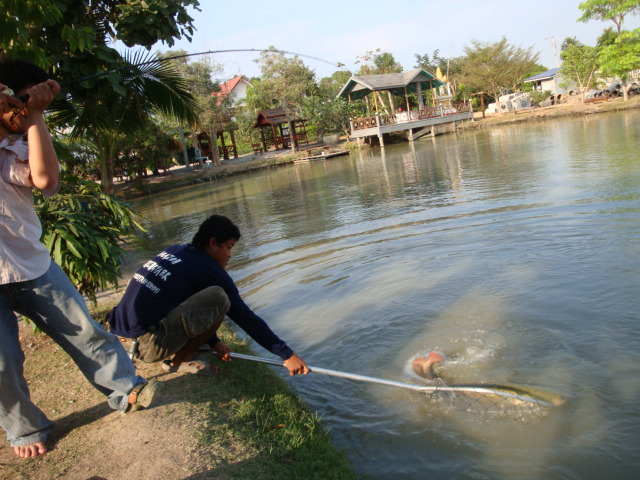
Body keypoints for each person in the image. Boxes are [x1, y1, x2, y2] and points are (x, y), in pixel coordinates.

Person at [0, 59, 162, 459]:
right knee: (1, 361)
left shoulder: (17, 144)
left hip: (30, 264)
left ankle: (126, 390)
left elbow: (47, 181)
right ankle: (24, 428)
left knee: (83, 330)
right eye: (21, 103)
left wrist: (35, 115)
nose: (24, 112)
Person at [107, 214, 310, 377]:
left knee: (197, 297)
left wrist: (214, 342)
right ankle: (179, 360)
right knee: (220, 299)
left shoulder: (177, 250)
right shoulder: (209, 270)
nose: (230, 255)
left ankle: (195, 346)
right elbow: (246, 318)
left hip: (117, 335)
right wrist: (286, 354)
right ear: (213, 243)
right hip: (146, 346)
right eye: (229, 247)